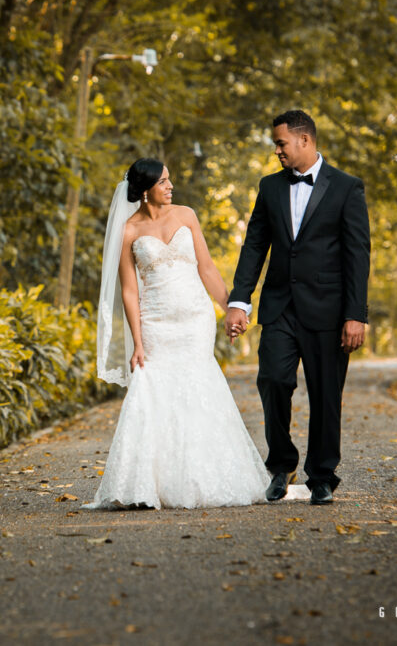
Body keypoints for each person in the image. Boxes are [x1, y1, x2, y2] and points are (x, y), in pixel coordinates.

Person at [83, 158, 272, 509]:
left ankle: (204, 477)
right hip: (155, 324)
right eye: (163, 182)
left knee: (198, 387)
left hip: (195, 320)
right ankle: (144, 485)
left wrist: (232, 307)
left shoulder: (187, 215)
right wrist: (138, 343)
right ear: (144, 190)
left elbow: (207, 267)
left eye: (170, 180)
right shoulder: (129, 231)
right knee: (151, 392)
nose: (171, 187)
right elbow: (129, 291)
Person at [224, 110, 371, 506]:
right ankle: (281, 466)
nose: (277, 151)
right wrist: (240, 300)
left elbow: (358, 254)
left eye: (281, 143)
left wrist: (356, 314)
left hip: (329, 310)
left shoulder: (346, 187)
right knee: (272, 379)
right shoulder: (269, 187)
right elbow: (255, 245)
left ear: (304, 140)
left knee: (326, 394)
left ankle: (321, 475)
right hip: (279, 308)